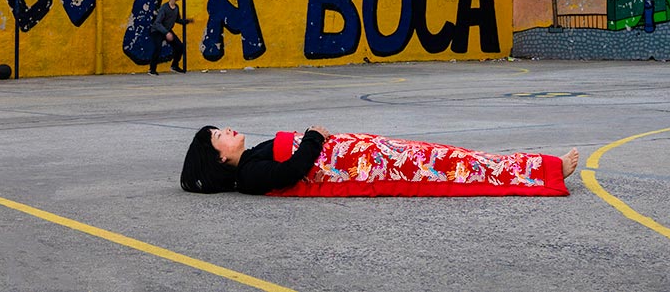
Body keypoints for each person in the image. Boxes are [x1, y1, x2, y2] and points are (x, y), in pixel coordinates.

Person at [180, 125, 579, 197]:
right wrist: (316, 135)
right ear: (218, 157)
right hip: (376, 167)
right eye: (220, 135)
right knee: (455, 166)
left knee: (456, 157)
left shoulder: (249, 159)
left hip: (372, 154)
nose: (228, 131)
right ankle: (545, 171)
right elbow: (291, 171)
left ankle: (540, 168)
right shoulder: (249, 175)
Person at [148, 0, 187, 75]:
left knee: (180, 47)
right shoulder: (164, 8)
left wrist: (186, 21)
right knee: (158, 48)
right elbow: (157, 23)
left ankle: (174, 66)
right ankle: (152, 69)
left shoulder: (176, 8)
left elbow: (177, 19)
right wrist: (166, 33)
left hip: (167, 30)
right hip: (158, 31)